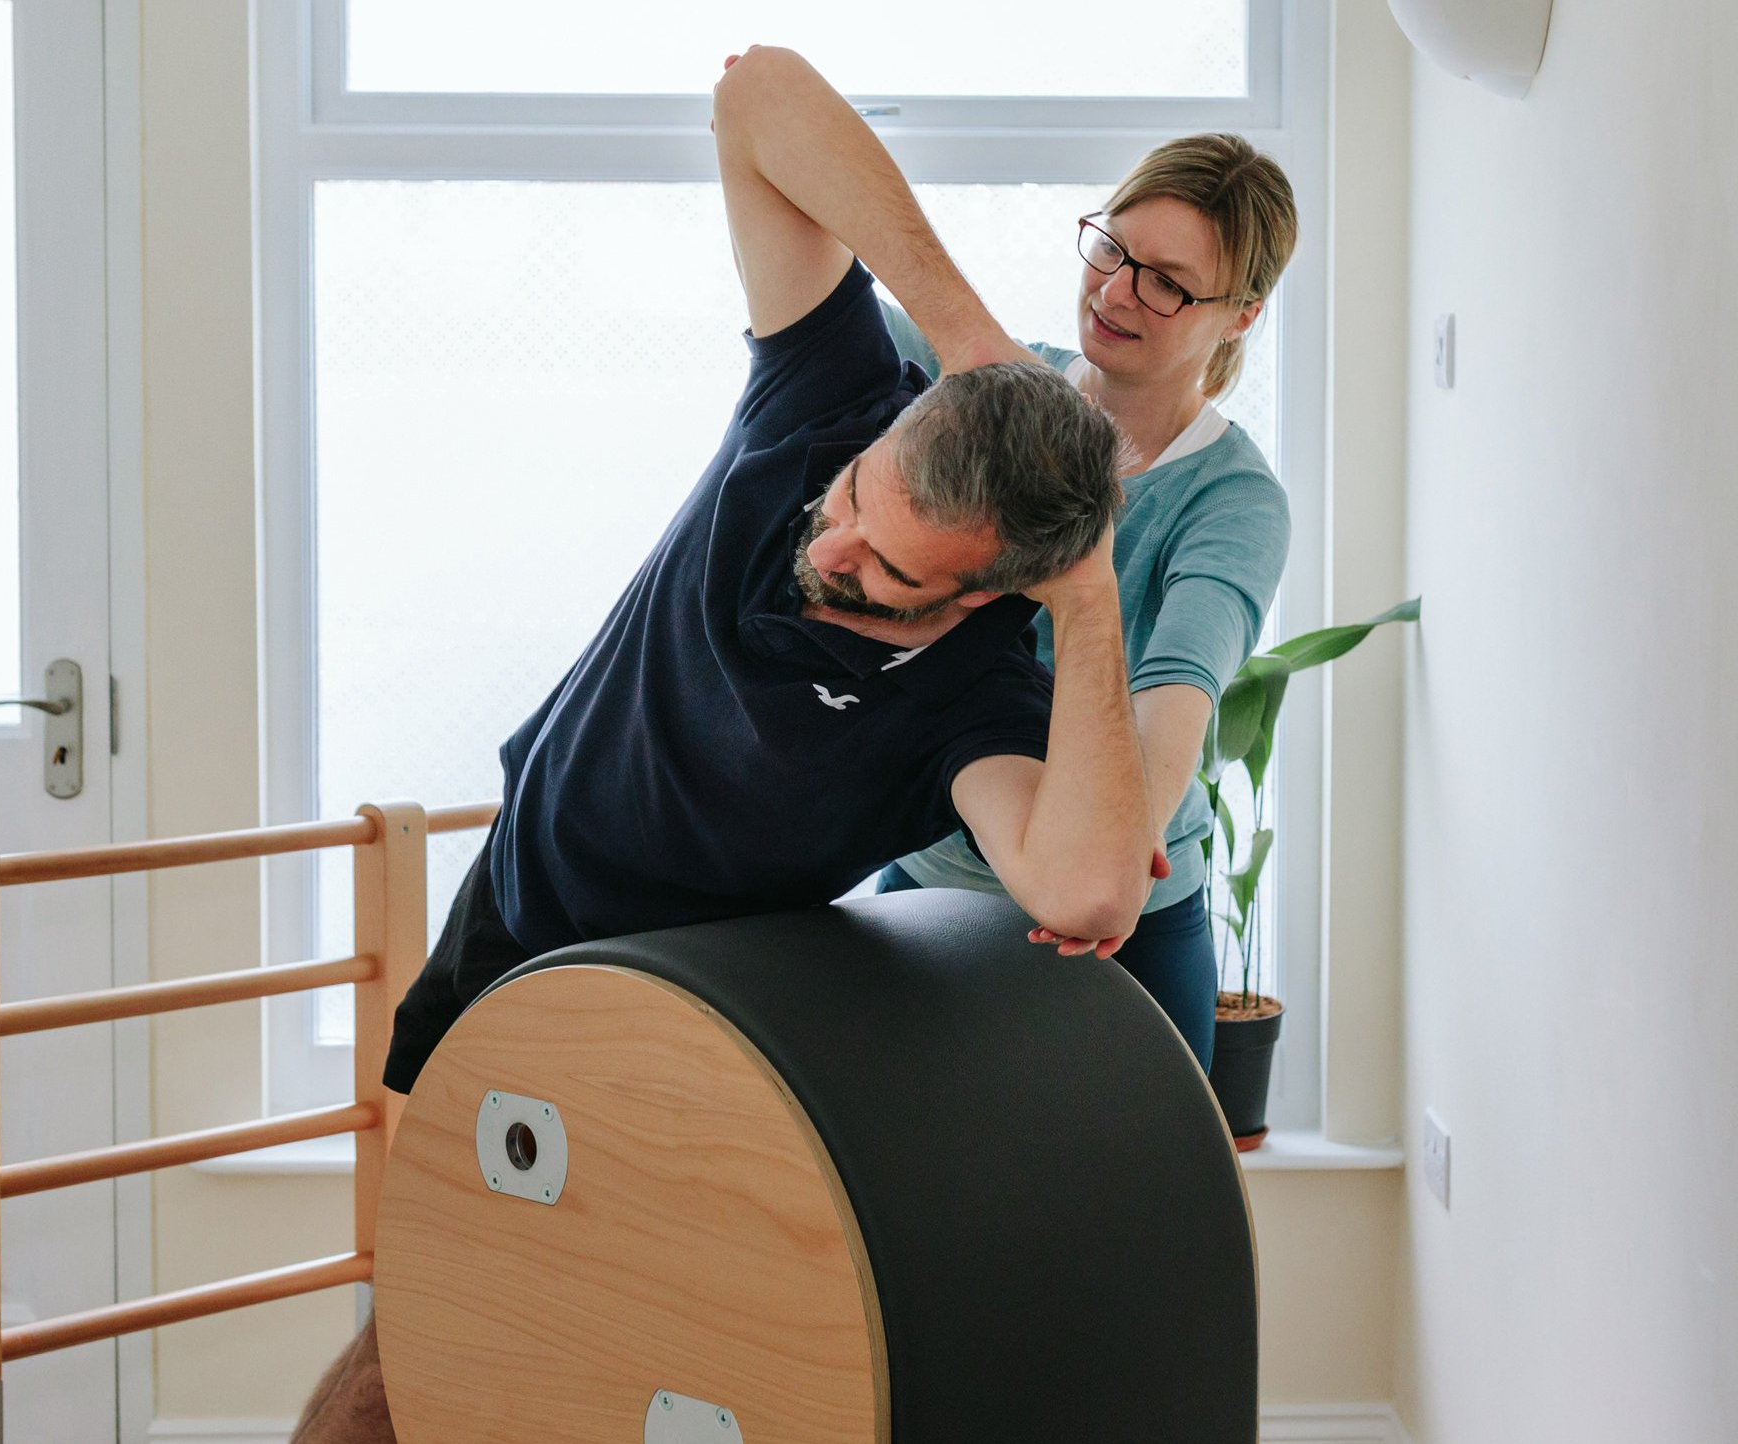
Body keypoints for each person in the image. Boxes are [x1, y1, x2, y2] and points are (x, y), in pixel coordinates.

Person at [293, 45, 1171, 1442]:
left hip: (680, 1037)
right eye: (851, 502)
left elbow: (1084, 891)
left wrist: (1091, 596)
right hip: (509, 937)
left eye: (887, 565)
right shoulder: (825, 399)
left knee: (606, 1366)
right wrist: (969, 339)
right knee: (419, 1351)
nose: (828, 547)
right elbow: (756, 92)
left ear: (994, 590)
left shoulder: (972, 699)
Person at [875, 133, 1300, 1074]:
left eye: (1168, 283)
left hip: (1129, 946)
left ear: (1240, 316)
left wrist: (1104, 856)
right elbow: (827, 302)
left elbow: (1174, 705)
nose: (1115, 292)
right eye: (1112, 248)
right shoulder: (995, 391)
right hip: (928, 890)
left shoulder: (1232, 502)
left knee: (1130, 1220)